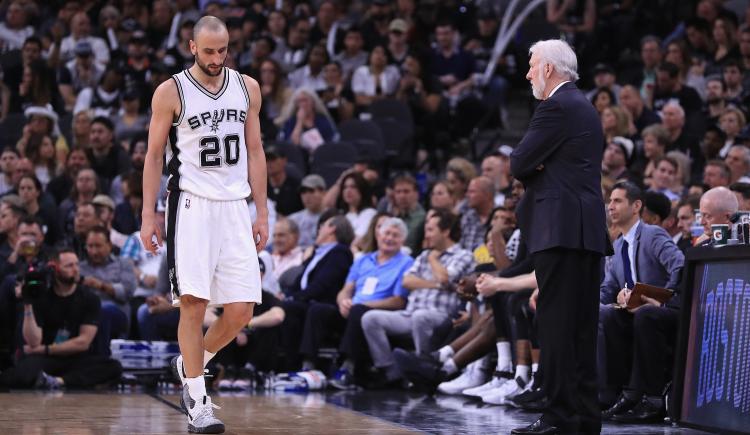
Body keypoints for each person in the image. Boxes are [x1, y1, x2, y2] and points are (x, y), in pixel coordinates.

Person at [141, 16, 268, 434]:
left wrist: (262, 211)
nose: (217, 58)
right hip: (191, 203)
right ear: (192, 46)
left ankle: (192, 363)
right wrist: (148, 214)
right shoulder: (170, 91)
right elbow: (154, 155)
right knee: (193, 303)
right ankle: (198, 401)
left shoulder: (247, 86)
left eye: (223, 50)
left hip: (235, 206)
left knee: (241, 310)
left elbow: (255, 150)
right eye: (209, 50)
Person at [509, 40, 610, 435]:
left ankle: (557, 418)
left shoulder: (554, 107)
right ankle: (584, 418)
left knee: (555, 326)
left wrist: (537, 166)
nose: (528, 73)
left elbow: (518, 162)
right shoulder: (585, 107)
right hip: (585, 231)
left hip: (560, 228)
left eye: (532, 65)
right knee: (581, 328)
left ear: (549, 68)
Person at [598, 182, 684, 423]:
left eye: (617, 201)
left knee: (647, 315)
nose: (610, 206)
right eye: (610, 201)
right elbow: (608, 288)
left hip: (664, 311)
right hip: (634, 313)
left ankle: (651, 398)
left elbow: (680, 265)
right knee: (604, 314)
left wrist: (663, 298)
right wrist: (615, 297)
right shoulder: (617, 245)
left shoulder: (652, 234)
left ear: (636, 206)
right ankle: (613, 392)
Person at [0, 248, 122, 390]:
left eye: (77, 265)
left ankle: (59, 381)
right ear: (55, 268)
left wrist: (45, 349)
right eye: (69, 266)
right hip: (45, 360)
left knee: (113, 367)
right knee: (19, 373)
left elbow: (83, 343)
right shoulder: (42, 296)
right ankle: (61, 380)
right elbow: (33, 341)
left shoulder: (90, 298)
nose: (76, 270)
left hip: (73, 357)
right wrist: (28, 303)